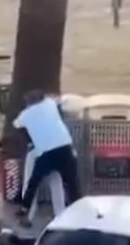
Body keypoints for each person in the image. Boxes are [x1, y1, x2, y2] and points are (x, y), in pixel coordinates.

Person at [14, 90, 81, 225]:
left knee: (34, 182)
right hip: (64, 147)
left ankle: (25, 210)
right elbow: (57, 100)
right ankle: (78, 211)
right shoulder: (50, 104)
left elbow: (16, 124)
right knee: (71, 183)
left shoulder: (25, 115)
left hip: (46, 152)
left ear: (28, 103)